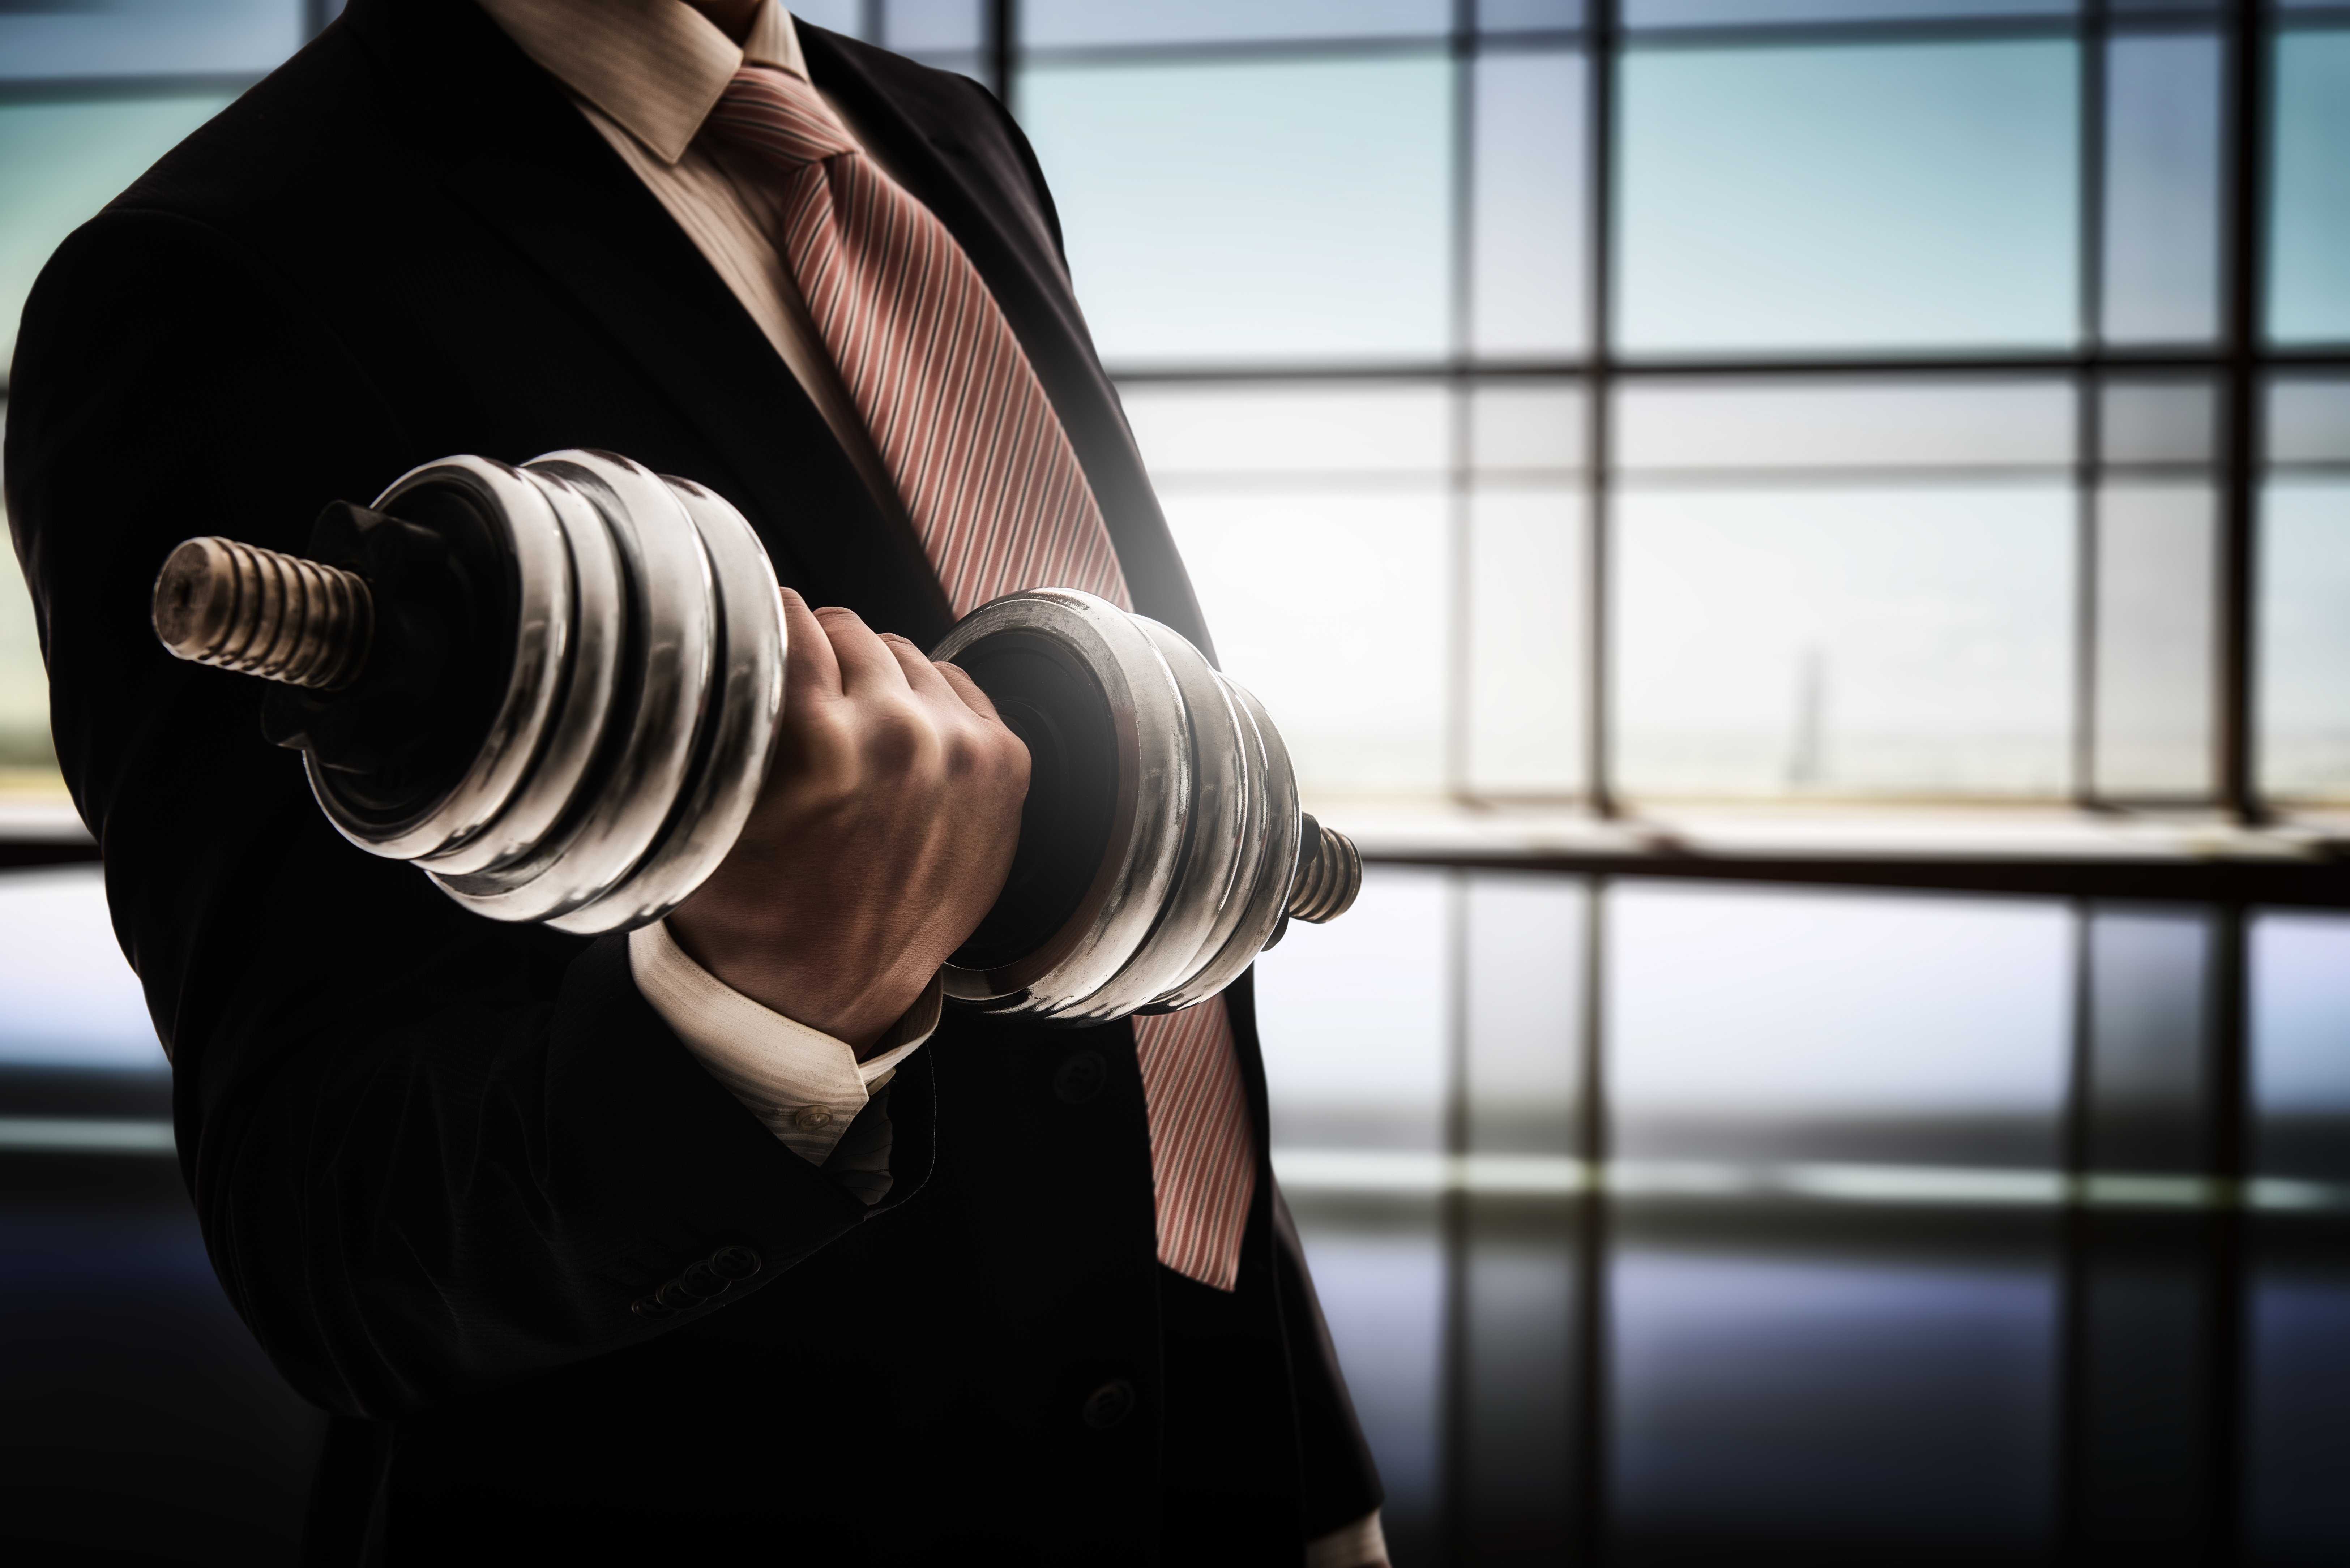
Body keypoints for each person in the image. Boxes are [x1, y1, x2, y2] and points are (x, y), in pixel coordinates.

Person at [3, 0, 1388, 1563]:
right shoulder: (207, 269)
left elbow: (1164, 996)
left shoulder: (952, 138)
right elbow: (335, 1254)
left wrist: (1302, 1464)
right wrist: (771, 1002)